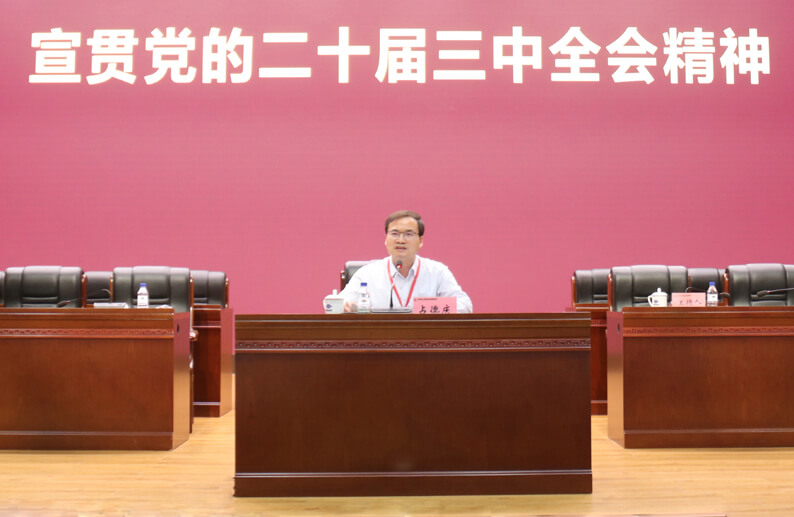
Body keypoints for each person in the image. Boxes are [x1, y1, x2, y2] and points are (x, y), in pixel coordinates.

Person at [338, 210, 473, 313]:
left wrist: (424, 308)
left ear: (420, 241)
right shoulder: (367, 273)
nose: (401, 240)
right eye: (394, 234)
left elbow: (465, 305)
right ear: (386, 239)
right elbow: (341, 302)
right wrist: (345, 306)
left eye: (408, 234)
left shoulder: (437, 272)